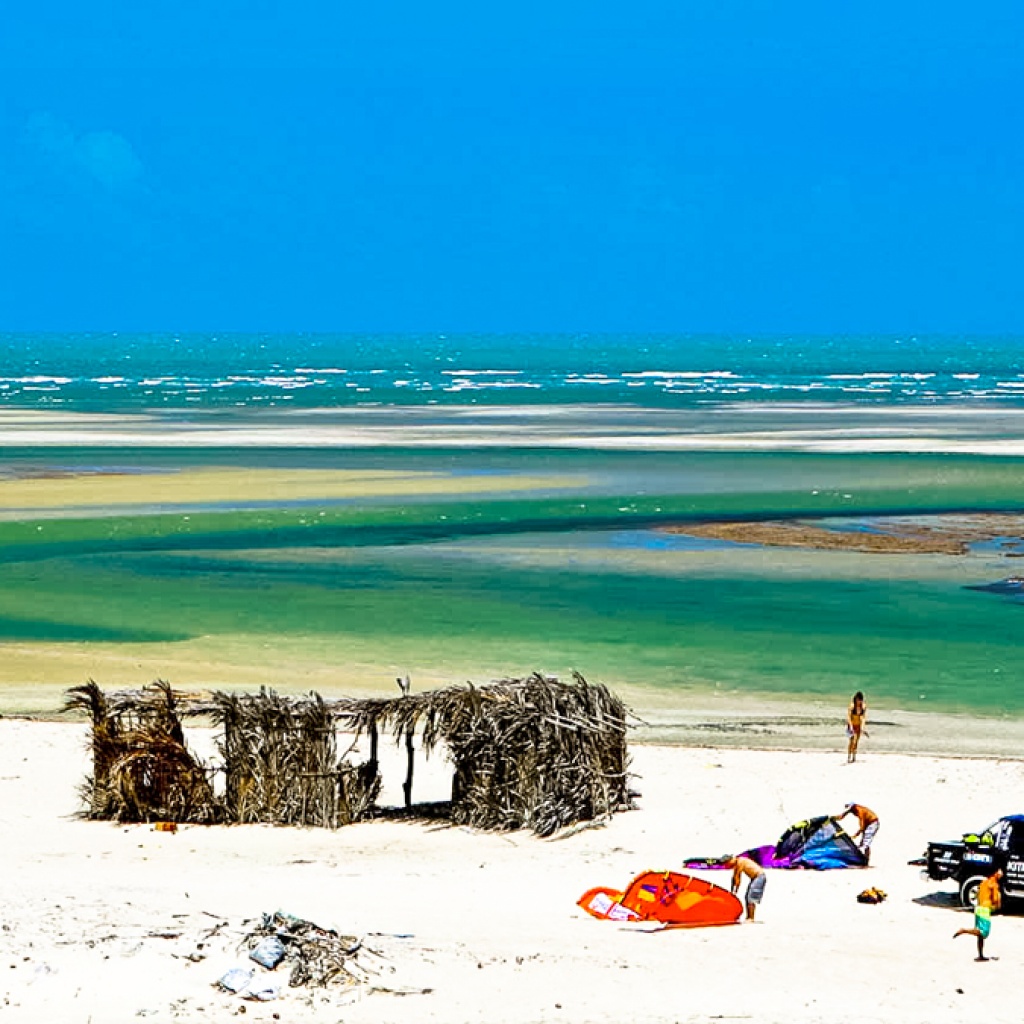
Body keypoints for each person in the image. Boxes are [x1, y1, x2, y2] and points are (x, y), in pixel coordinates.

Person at [954, 868, 1003, 961]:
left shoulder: (983, 883)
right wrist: (998, 901)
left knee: (980, 936)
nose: (1001, 874)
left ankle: (980, 955)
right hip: (985, 910)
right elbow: (996, 900)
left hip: (978, 908)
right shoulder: (994, 884)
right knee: (983, 932)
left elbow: (979, 895)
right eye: (999, 872)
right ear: (995, 873)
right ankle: (964, 930)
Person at [724, 854, 766, 921]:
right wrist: (732, 890)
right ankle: (748, 917)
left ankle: (751, 918)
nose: (727, 865)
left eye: (727, 863)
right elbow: (734, 878)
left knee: (751, 897)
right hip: (755, 878)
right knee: (747, 897)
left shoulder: (740, 862)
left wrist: (735, 891)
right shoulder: (737, 862)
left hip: (759, 876)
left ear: (731, 860)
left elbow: (738, 878)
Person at [846, 691, 867, 762]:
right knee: (852, 741)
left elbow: (863, 718)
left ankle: (854, 756)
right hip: (851, 725)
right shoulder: (852, 706)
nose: (859, 702)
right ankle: (849, 756)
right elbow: (848, 717)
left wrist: (863, 728)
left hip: (858, 725)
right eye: (858, 700)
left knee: (856, 742)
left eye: (861, 700)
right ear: (855, 699)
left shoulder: (863, 706)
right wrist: (851, 727)